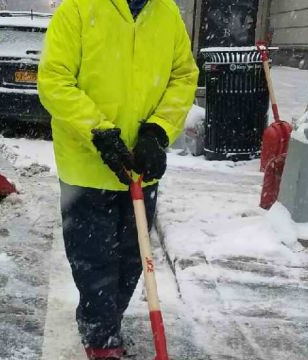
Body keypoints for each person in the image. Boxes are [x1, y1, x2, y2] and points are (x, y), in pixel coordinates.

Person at [38, 0, 198, 358]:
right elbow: (54, 80)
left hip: (141, 164)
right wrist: (100, 133)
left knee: (132, 259)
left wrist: (158, 131)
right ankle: (100, 337)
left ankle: (107, 320)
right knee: (94, 259)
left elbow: (184, 75)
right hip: (86, 165)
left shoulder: (166, 11)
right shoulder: (77, 9)